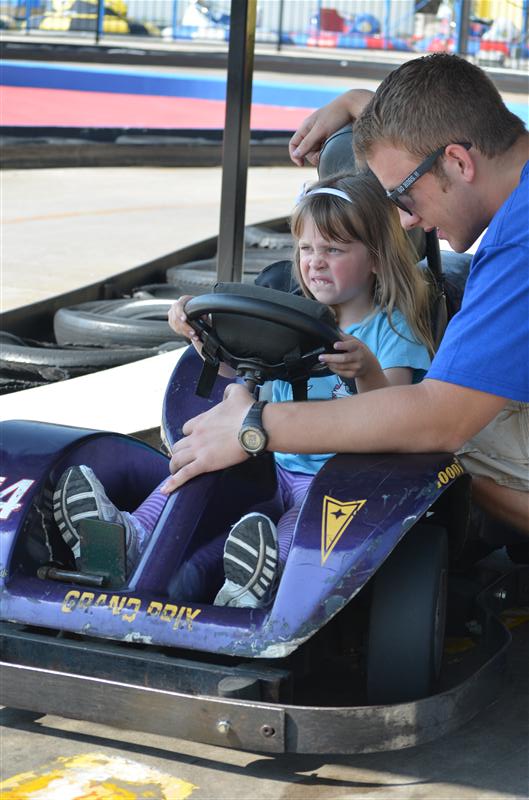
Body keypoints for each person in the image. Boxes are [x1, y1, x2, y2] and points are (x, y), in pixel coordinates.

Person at [163, 54, 529, 541]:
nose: (407, 221)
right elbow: (441, 123)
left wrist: (254, 425)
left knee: (428, 453)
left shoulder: (517, 245)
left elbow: (440, 420)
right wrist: (359, 103)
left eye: (402, 197)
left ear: (459, 163)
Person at [53, 172, 432, 602]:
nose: (315, 262)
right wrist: (200, 332)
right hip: (268, 459)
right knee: (203, 463)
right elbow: (236, 373)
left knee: (302, 522)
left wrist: (366, 370)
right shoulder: (291, 316)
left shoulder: (393, 330)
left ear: (376, 259)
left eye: (333, 249)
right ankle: (132, 535)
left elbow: (394, 415)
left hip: (339, 480)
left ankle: (259, 584)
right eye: (306, 249)